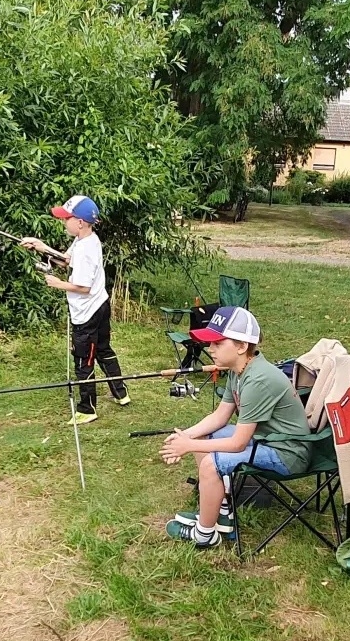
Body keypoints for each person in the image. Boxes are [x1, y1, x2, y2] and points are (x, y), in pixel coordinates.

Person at [158, 306, 317, 548]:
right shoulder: (239, 370)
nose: (210, 348)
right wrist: (185, 436)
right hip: (268, 439)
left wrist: (187, 446)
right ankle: (223, 511)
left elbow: (238, 443)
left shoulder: (258, 379)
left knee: (210, 464)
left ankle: (205, 535)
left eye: (218, 343)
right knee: (202, 437)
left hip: (288, 453)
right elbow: (220, 416)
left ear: (242, 346)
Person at [20, 195, 128, 426]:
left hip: (87, 314)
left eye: (66, 218)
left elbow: (83, 287)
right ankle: (121, 393)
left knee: (83, 360)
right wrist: (41, 246)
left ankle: (87, 410)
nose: (63, 222)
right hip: (100, 305)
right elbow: (67, 260)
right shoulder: (85, 239)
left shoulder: (86, 249)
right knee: (103, 350)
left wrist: (57, 284)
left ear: (80, 222)